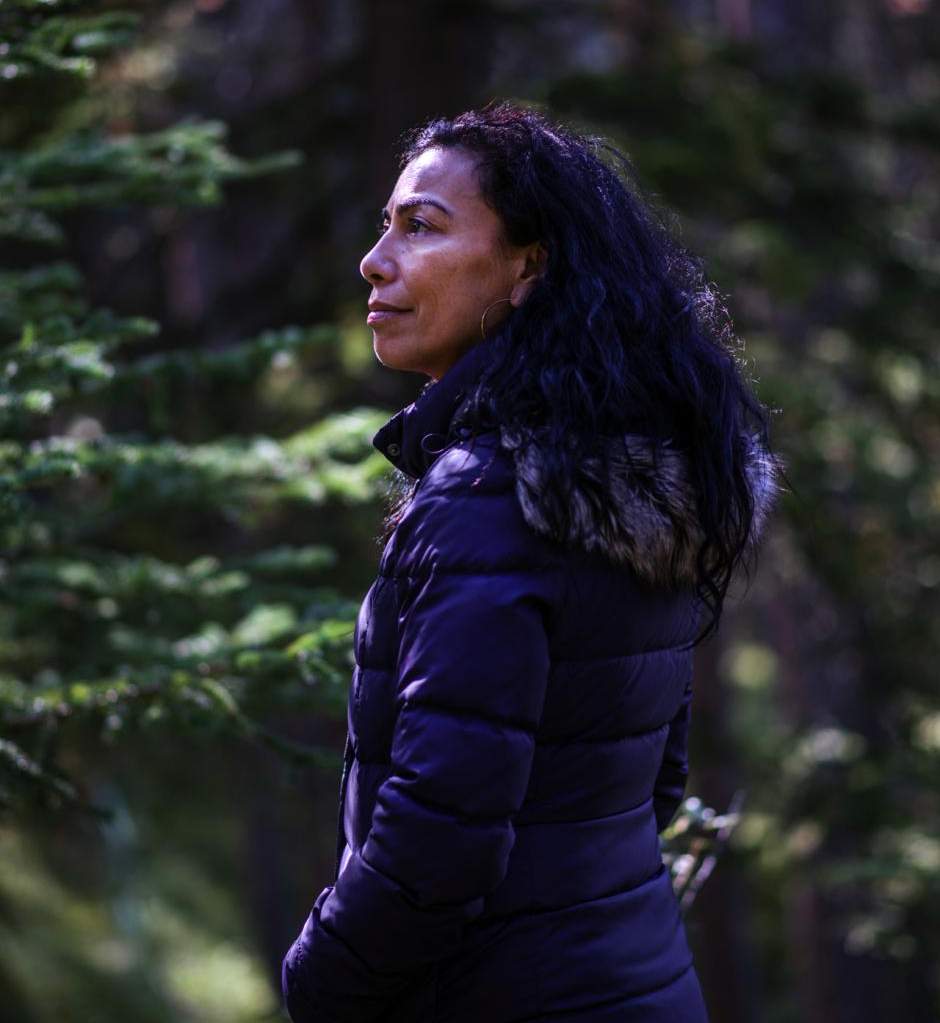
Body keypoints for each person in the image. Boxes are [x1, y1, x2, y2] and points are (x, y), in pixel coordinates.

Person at [281, 102, 778, 1022]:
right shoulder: (632, 476)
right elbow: (653, 785)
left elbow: (437, 839)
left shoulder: (491, 495)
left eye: (421, 226)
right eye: (385, 225)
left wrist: (317, 982)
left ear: (529, 268)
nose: (375, 260)